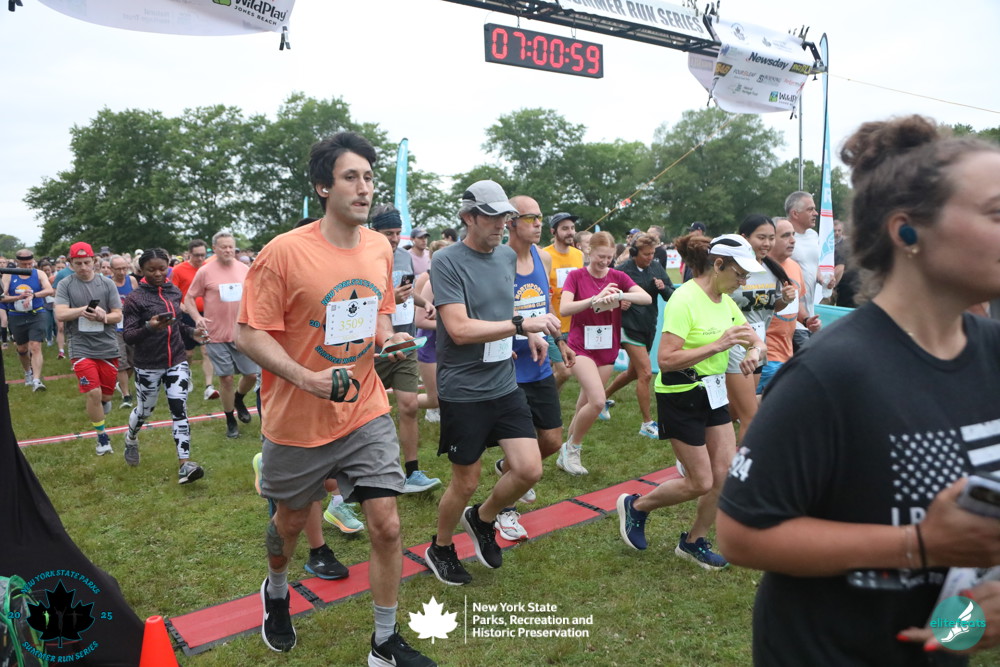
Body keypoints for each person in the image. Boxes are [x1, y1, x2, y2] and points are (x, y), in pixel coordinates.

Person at [716, 116, 1000, 663]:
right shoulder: (832, 373)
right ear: (907, 231)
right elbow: (741, 533)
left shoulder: (993, 354)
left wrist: (968, 622)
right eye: (995, 212)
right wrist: (919, 545)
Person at [236, 131, 434, 665]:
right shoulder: (283, 252)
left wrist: (387, 339)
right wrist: (308, 378)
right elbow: (249, 334)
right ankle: (277, 591)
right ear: (324, 187)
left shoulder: (378, 247)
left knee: (387, 524)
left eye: (369, 177)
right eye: (351, 177)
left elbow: (378, 311)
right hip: (297, 418)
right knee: (290, 523)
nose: (364, 187)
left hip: (364, 407)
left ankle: (384, 642)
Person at [423, 180, 560, 587]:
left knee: (529, 468)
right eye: (493, 217)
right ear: (468, 217)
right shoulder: (446, 261)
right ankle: (440, 547)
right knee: (465, 481)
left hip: (503, 382)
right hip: (463, 389)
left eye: (506, 217)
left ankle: (482, 520)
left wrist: (527, 335)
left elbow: (503, 305)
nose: (502, 224)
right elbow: (459, 329)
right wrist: (521, 325)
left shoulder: (505, 255)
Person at [616, 233, 763, 570]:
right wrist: (719, 345)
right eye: (740, 274)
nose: (743, 281)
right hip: (680, 395)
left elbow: (755, 339)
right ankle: (636, 506)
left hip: (713, 393)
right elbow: (666, 360)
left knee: (724, 475)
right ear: (718, 265)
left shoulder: (726, 302)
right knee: (700, 482)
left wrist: (754, 352)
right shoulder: (684, 299)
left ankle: (693, 542)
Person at [496, 194, 576, 540]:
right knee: (523, 450)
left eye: (540, 217)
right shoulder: (498, 260)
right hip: (508, 365)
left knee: (553, 441)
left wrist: (560, 341)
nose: (539, 223)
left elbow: (545, 307)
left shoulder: (543, 258)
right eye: (531, 218)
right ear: (511, 222)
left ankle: (508, 470)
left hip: (540, 361)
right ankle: (505, 510)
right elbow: (490, 309)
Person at [559, 232, 651, 474]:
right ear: (589, 251)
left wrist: (620, 295)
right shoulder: (576, 276)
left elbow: (646, 298)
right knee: (598, 401)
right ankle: (573, 449)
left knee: (585, 403)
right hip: (580, 346)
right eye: (601, 256)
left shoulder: (618, 276)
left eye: (610, 257)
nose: (605, 262)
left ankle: (565, 452)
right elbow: (565, 308)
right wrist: (594, 299)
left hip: (607, 348)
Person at [369, 204, 442, 494]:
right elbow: (358, 303)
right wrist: (392, 301)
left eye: (397, 232)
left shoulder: (403, 256)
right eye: (388, 233)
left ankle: (412, 472)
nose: (394, 238)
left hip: (406, 341)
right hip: (374, 346)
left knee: (410, 406)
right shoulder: (363, 256)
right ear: (373, 231)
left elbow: (405, 290)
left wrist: (424, 303)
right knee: (365, 414)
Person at [121, 249, 208, 483]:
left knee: (179, 409)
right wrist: (149, 327)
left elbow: (176, 324)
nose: (158, 274)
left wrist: (192, 332)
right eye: (152, 270)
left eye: (162, 268)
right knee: (144, 410)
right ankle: (130, 438)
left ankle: (185, 464)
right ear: (141, 270)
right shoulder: (135, 299)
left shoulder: (173, 291)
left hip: (176, 360)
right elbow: (128, 336)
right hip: (148, 364)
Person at [724, 217, 796, 444]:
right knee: (750, 415)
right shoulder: (732, 269)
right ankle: (744, 464)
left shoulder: (771, 270)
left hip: (758, 347)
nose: (767, 243)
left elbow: (770, 307)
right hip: (733, 346)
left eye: (771, 238)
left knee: (734, 409)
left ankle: (702, 438)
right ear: (744, 238)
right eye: (761, 237)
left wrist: (784, 299)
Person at [186, 231, 259, 439]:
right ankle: (230, 419)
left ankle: (238, 399)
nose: (228, 250)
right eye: (223, 247)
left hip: (241, 333)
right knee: (226, 378)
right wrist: (197, 318)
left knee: (252, 375)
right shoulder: (205, 271)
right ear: (215, 249)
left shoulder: (244, 269)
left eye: (230, 246)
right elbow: (189, 298)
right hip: (216, 334)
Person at [54, 242, 123, 456]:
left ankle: (103, 404)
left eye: (86, 262)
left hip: (107, 345)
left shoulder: (107, 284)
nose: (83, 267)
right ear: (71, 263)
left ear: (94, 261)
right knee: (93, 392)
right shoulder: (65, 284)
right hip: (80, 345)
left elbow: (118, 315)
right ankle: (102, 438)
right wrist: (82, 310)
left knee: (105, 396)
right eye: (78, 263)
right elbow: (60, 314)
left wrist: (103, 316)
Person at [604, 233, 674, 437]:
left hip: (648, 325)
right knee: (645, 373)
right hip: (628, 327)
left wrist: (663, 288)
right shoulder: (621, 271)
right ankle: (647, 424)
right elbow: (604, 296)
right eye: (646, 254)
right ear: (635, 253)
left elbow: (671, 295)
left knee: (633, 373)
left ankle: (601, 399)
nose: (650, 257)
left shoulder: (656, 267)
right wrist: (618, 302)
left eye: (652, 253)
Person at [756, 219, 807, 393]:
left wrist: (807, 320)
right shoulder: (757, 269)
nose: (792, 240)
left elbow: (798, 302)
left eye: (793, 235)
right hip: (765, 354)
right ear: (771, 240)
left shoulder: (794, 267)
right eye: (785, 235)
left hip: (787, 353)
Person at [541, 212, 584, 390]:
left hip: (573, 324)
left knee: (557, 370)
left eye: (572, 228)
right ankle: (544, 399)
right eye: (565, 228)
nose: (570, 232)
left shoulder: (579, 255)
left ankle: (549, 403)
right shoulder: (544, 255)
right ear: (553, 231)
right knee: (564, 372)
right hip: (551, 323)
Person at [171, 239, 218, 400]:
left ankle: (209, 386)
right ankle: (186, 375)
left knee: (206, 350)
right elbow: (172, 292)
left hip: (207, 314)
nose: (200, 258)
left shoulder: (209, 268)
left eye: (203, 255)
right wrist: (181, 305)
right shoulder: (179, 270)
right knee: (188, 353)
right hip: (187, 315)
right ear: (189, 254)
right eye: (196, 255)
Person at [2, 249, 54, 391]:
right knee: (22, 349)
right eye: (24, 264)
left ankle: (37, 380)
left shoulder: (39, 273)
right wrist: (17, 297)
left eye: (30, 264)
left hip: (36, 314)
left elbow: (49, 290)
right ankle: (28, 373)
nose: (27, 267)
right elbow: (2, 297)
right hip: (16, 315)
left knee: (35, 346)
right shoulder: (8, 275)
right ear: (17, 262)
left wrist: (34, 295)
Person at [786, 191, 826, 350]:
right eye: (810, 209)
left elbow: (811, 265)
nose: (816, 213)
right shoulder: (783, 238)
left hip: (810, 316)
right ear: (795, 213)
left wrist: (822, 279)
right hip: (791, 320)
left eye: (814, 209)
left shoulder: (813, 235)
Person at [110, 255, 138, 409]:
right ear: (111, 269)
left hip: (131, 325)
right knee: (121, 361)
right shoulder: (107, 283)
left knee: (133, 361)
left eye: (124, 268)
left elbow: (139, 299)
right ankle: (126, 395)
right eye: (118, 269)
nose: (122, 272)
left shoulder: (131, 281)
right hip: (115, 327)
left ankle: (119, 384)